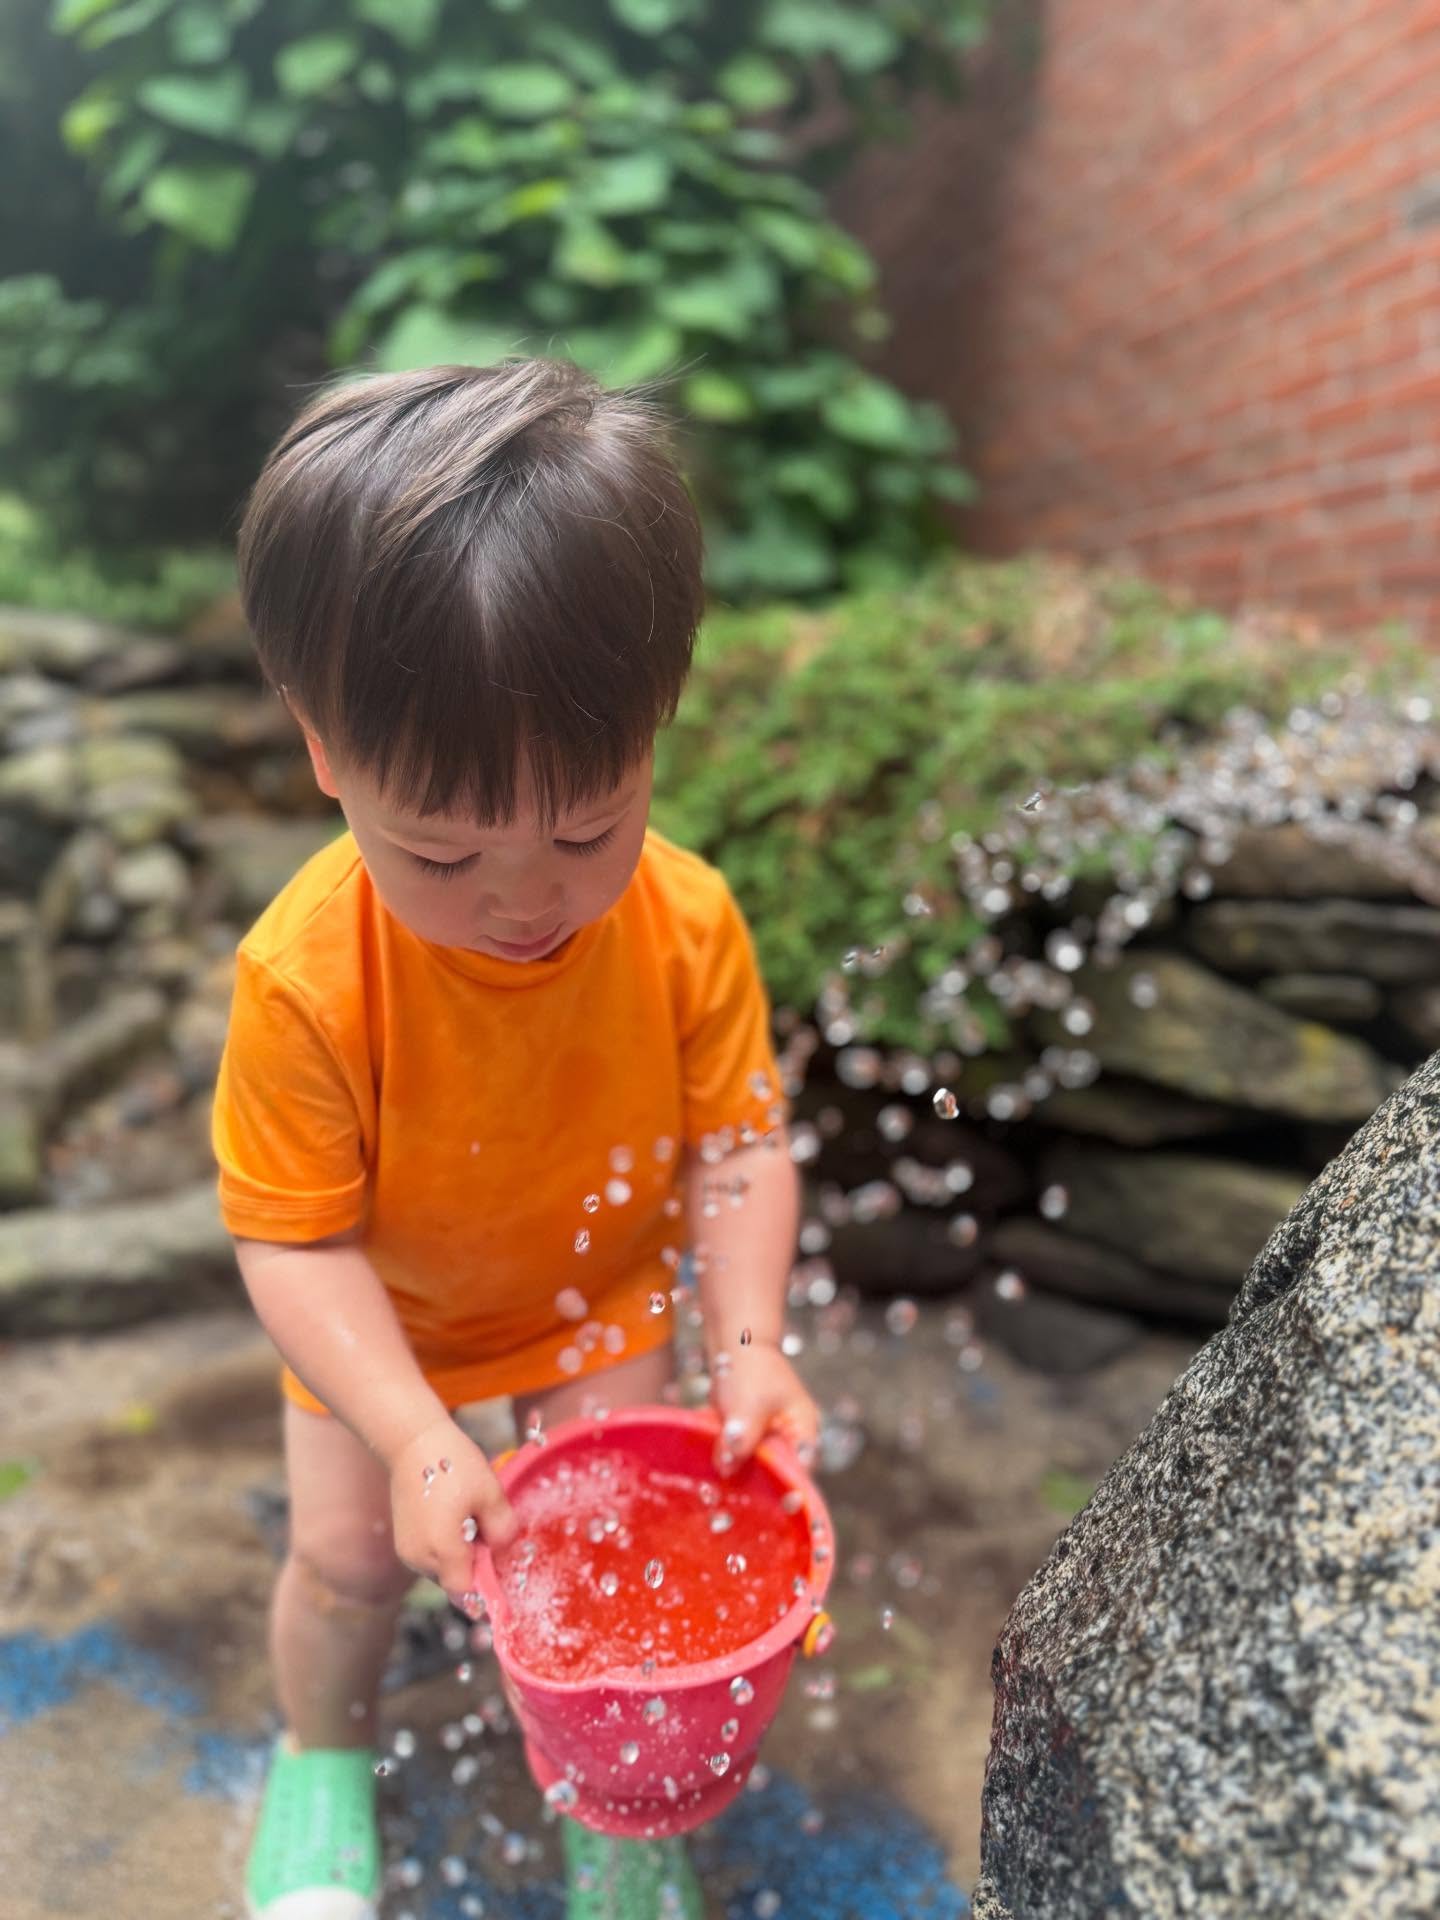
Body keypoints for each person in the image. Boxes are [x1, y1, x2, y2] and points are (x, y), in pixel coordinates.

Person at [212, 358, 820, 1920]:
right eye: (440, 853)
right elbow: (292, 1238)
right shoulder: (306, 977)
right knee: (349, 1561)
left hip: (591, 1296)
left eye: (587, 827)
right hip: (384, 1323)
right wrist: (420, 1434)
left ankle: (613, 1793)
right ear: (324, 750)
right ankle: (323, 1758)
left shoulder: (687, 922)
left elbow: (738, 1150)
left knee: (609, 1558)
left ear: (653, 731)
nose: (525, 897)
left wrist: (749, 1344)